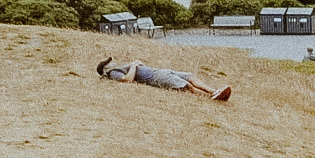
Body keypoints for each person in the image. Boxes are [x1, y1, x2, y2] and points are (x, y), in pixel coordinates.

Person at [97, 56, 228, 100]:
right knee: (186, 86)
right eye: (108, 63)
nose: (112, 63)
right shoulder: (113, 73)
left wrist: (135, 64)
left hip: (160, 71)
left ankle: (214, 91)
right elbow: (127, 80)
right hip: (156, 77)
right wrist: (134, 65)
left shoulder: (117, 68)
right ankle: (210, 97)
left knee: (189, 76)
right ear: (106, 69)